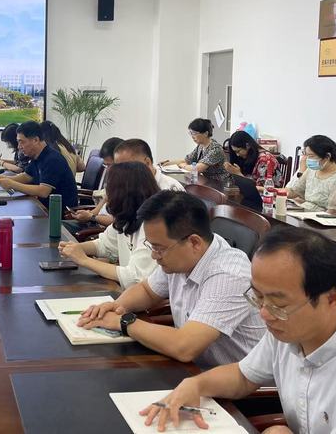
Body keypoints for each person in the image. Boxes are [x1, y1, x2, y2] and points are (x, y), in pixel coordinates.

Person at [140, 226, 336, 433]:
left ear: (331, 298)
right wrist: (195, 384)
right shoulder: (289, 328)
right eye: (258, 297)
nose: (264, 313)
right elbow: (244, 376)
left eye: (278, 303)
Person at [78, 191, 265, 367]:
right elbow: (147, 291)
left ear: (194, 242)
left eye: (159, 248)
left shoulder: (228, 275)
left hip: (236, 385)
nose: (154, 255)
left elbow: (184, 347)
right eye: (151, 246)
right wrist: (117, 307)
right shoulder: (181, 256)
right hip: (194, 369)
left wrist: (124, 322)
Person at [58, 162, 159, 288]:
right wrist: (76, 248)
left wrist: (84, 260)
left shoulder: (153, 226)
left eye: (109, 189)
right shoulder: (127, 217)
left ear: (122, 193)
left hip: (139, 295)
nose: (106, 196)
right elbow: (104, 245)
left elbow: (134, 278)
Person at [70, 138, 184, 228]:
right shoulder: (126, 183)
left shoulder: (169, 190)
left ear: (147, 162)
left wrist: (92, 217)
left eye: (126, 167)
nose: (118, 171)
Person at [0, 121, 78, 209]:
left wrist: (12, 184)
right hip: (43, 207)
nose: (19, 147)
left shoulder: (52, 159)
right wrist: (4, 179)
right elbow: (26, 177)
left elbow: (43, 191)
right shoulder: (37, 156)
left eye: (21, 142)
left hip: (60, 213)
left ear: (35, 140)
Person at [287, 135, 336, 213]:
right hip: (303, 212)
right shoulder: (311, 170)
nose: (307, 159)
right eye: (306, 155)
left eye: (311, 156)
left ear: (327, 156)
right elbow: (294, 191)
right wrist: (276, 193)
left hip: (320, 217)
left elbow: (333, 211)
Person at [161, 118, 230, 184]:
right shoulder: (200, 146)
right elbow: (186, 160)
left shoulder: (215, 149)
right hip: (208, 181)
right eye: (190, 133)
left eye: (194, 133)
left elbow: (197, 168)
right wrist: (167, 163)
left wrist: (182, 165)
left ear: (205, 134)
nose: (192, 136)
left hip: (222, 184)